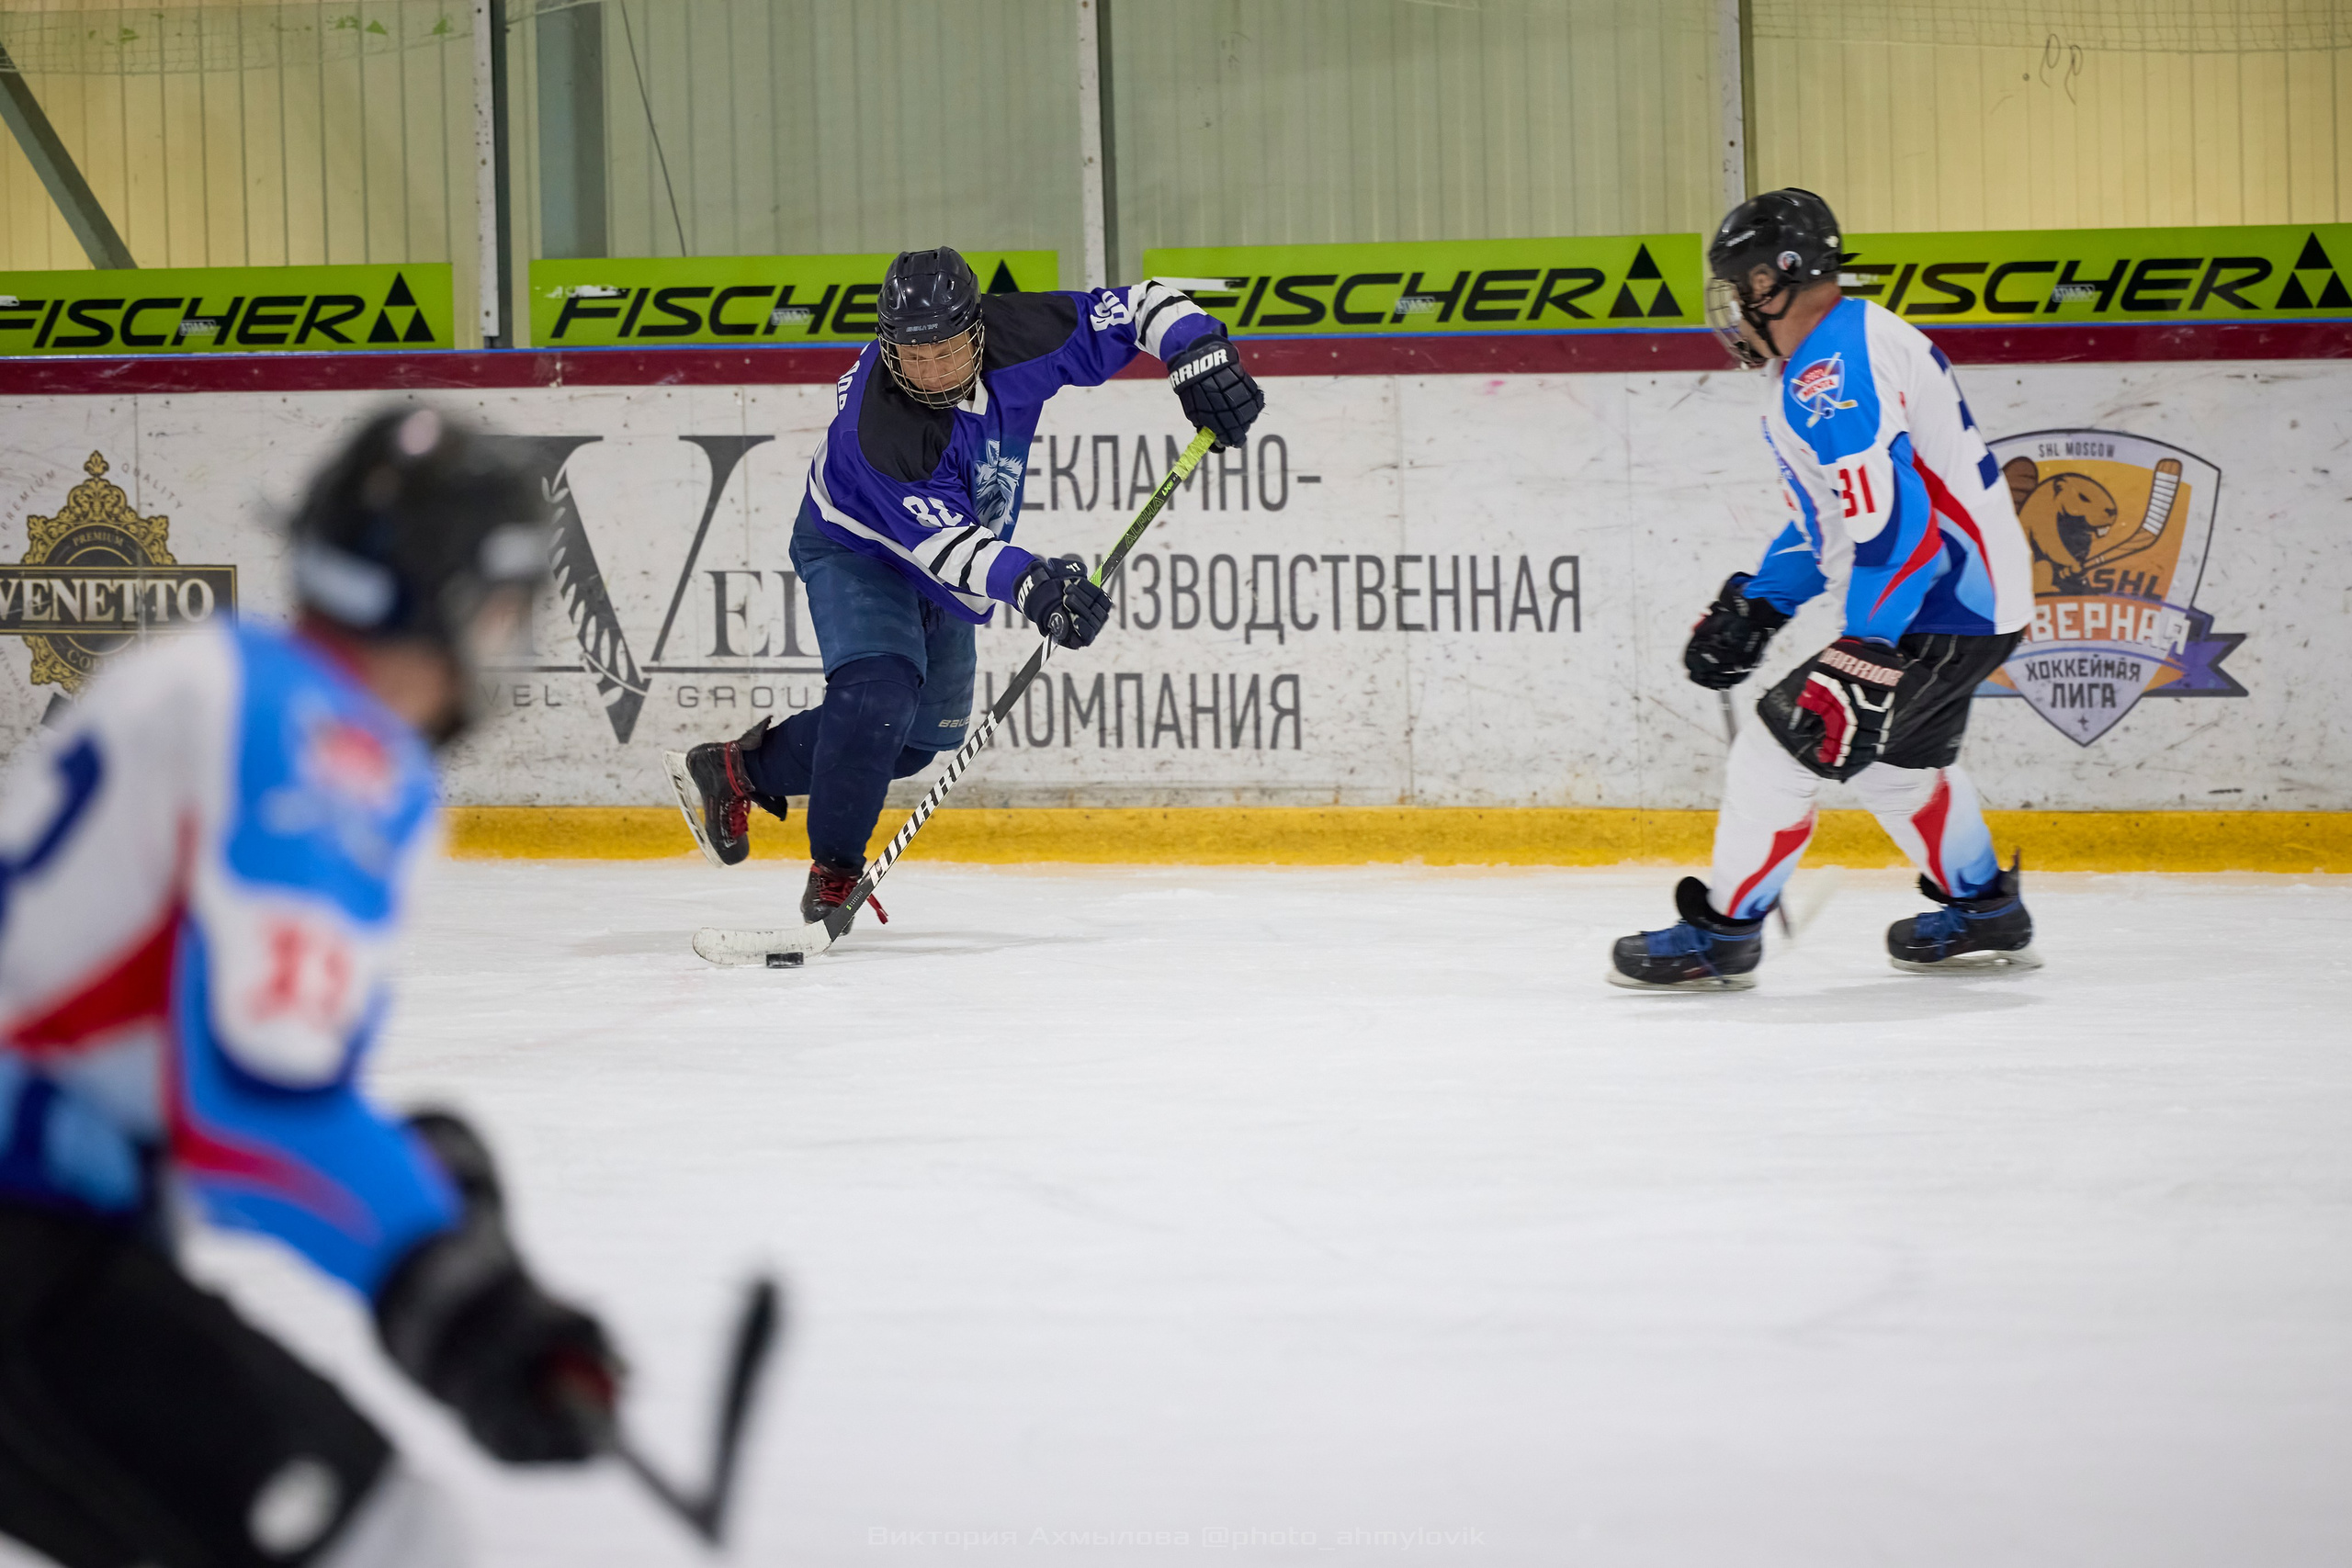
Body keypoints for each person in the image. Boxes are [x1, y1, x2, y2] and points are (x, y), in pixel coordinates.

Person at [0, 409, 625, 1565]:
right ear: (459, 604)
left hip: (50, 1221)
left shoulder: (214, 673)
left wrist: (405, 1194)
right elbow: (249, 1112)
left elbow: (174, 1082)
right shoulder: (328, 743)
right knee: (389, 1542)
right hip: (27, 1241)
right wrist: (459, 1294)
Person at [665, 247, 1263, 929]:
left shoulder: (1025, 333)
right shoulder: (882, 431)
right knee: (878, 696)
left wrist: (1199, 351)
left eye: (946, 352)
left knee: (918, 742)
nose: (930, 372)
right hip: (855, 544)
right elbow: (946, 547)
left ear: (976, 330)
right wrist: (1034, 583)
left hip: (954, 553)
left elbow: (1143, 303)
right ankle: (835, 870)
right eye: (913, 358)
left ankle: (739, 770)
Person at [1610, 189, 2040, 990]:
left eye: (1743, 287)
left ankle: (1723, 933)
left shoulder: (1829, 376)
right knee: (1894, 771)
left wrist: (1869, 645)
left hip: (1937, 606)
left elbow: (1898, 529)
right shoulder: (1843, 346)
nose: (1737, 307)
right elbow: (1842, 522)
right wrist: (1762, 601)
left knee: (1772, 757)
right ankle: (1984, 910)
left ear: (1779, 277)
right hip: (1972, 601)